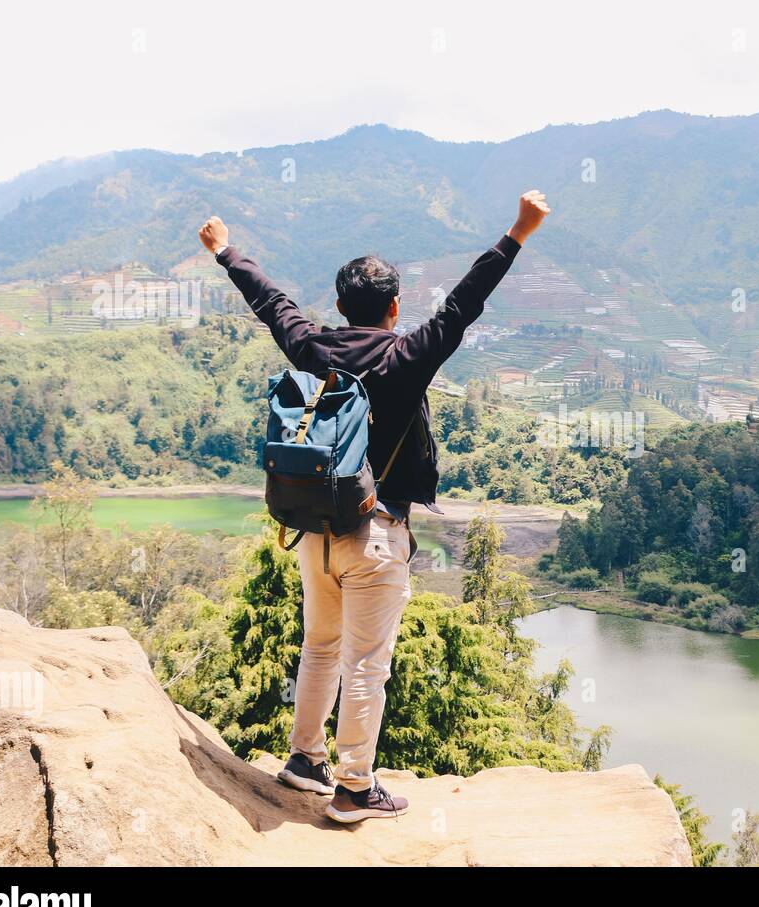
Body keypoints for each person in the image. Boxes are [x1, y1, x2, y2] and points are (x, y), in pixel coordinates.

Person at [198, 190, 550, 822]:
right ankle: (356, 788)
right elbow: (464, 303)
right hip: (378, 533)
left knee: (320, 646)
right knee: (366, 662)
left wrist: (226, 250)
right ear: (394, 307)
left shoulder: (314, 349)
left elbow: (272, 303)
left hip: (316, 532)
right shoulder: (406, 357)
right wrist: (518, 231)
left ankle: (305, 759)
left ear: (339, 306)